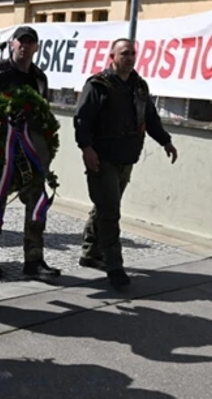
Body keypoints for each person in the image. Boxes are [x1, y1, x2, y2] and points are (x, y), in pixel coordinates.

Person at [73, 38, 178, 288]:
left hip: (127, 157)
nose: (129, 57)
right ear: (112, 56)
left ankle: (90, 253)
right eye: (124, 53)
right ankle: (114, 267)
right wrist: (86, 149)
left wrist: (166, 141)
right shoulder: (98, 84)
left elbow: (150, 118)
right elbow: (81, 120)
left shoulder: (139, 86)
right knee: (110, 211)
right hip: (102, 158)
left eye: (132, 53)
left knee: (105, 205)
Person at [0, 26, 61, 281]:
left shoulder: (39, 77)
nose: (25, 47)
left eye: (30, 42)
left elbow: (43, 112)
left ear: (36, 47)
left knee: (37, 206)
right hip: (0, 151)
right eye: (21, 41)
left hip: (29, 153)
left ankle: (34, 260)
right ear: (12, 44)